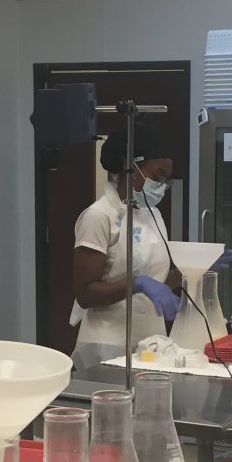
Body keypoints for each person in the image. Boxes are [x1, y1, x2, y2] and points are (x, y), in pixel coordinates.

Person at [69, 122, 182, 369]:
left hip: (149, 346)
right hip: (106, 346)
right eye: (156, 175)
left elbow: (157, 282)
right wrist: (137, 283)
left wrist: (192, 271)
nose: (161, 184)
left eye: (166, 178)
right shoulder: (99, 216)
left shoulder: (152, 214)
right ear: (129, 167)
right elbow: (85, 294)